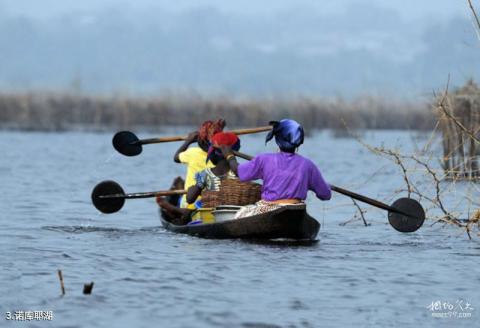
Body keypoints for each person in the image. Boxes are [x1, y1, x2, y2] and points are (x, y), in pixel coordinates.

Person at [219, 119, 331, 217]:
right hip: (297, 210)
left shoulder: (264, 159)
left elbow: (239, 172)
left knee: (240, 214)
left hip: (269, 208)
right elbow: (325, 194)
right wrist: (320, 185)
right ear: (299, 142)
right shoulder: (308, 165)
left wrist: (229, 156)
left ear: (277, 139)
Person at [186, 132, 241, 205]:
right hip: (236, 213)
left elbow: (190, 199)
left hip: (211, 214)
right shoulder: (240, 170)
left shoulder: (205, 174)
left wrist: (191, 190)